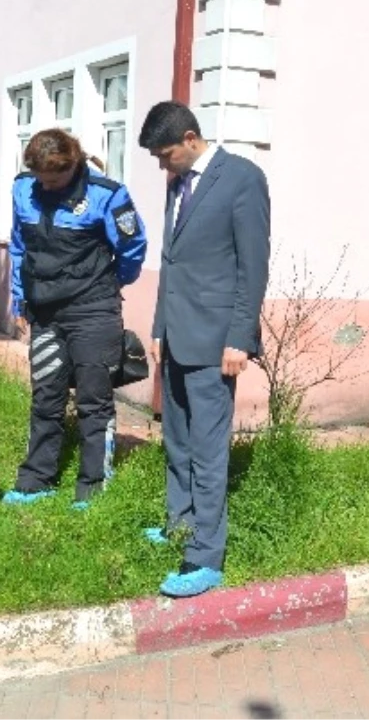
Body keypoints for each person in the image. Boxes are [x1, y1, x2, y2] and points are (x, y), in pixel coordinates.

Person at [139, 101, 270, 598]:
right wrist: (158, 327)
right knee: (177, 442)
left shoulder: (242, 179)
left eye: (165, 154)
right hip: (176, 337)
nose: (161, 164)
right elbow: (171, 263)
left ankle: (206, 556)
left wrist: (240, 336)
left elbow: (252, 267)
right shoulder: (180, 181)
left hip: (217, 344)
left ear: (191, 139)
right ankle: (180, 523)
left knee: (209, 452)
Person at [5, 129, 148, 508]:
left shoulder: (107, 194)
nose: (46, 186)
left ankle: (92, 488)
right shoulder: (22, 189)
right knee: (46, 396)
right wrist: (19, 298)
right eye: (41, 179)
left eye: (54, 179)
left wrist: (106, 283)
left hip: (93, 312)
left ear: (74, 165)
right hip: (45, 312)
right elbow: (20, 246)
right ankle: (36, 481)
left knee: (93, 400)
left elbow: (133, 247)